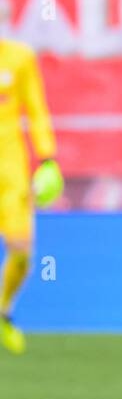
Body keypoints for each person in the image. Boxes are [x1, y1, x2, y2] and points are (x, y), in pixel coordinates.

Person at [0, 30, 57, 355]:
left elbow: (36, 109)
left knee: (21, 250)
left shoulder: (19, 58)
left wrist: (47, 158)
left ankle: (4, 310)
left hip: (10, 171)